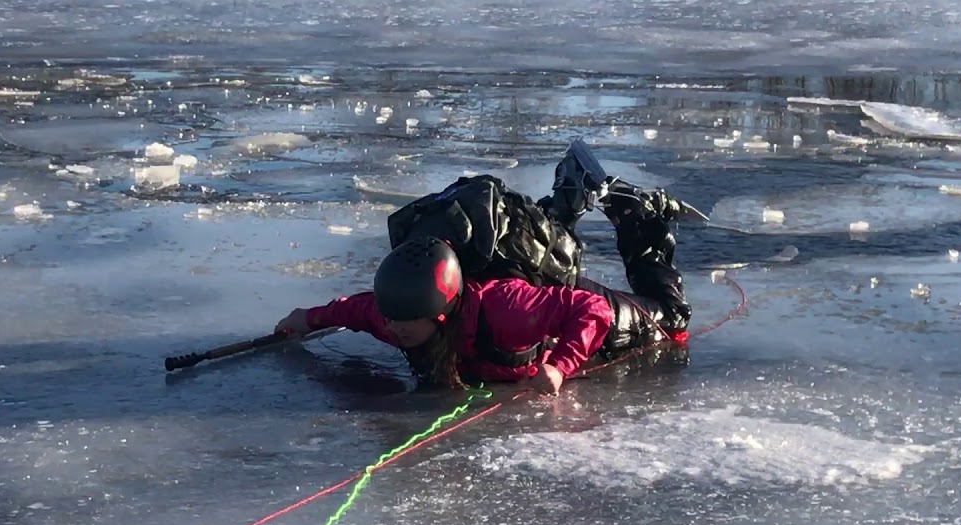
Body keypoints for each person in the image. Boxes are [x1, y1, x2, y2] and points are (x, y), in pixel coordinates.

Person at [275, 146, 694, 395]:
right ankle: (566, 199)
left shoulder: (506, 310)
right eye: (391, 319)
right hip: (524, 288)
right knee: (543, 251)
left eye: (404, 322)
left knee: (672, 320)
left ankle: (638, 213)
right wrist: (305, 319)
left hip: (560, 312)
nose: (393, 329)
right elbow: (353, 310)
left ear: (441, 312)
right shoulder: (395, 315)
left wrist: (560, 365)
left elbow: (591, 312)